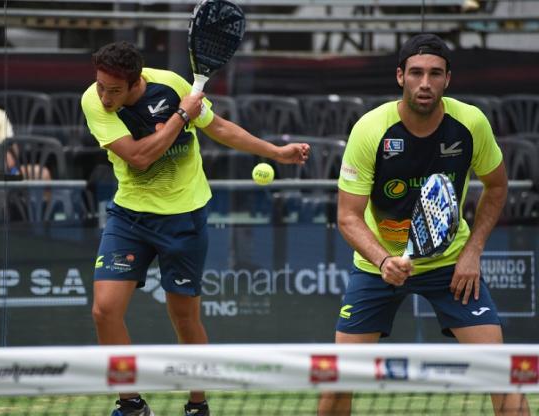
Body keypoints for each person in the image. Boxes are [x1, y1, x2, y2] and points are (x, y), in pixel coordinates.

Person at [81, 41, 310, 416]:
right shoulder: (93, 101)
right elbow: (139, 158)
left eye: (114, 90)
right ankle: (131, 404)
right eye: (101, 86)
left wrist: (274, 152)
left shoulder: (170, 85)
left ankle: (197, 404)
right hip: (130, 219)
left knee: (184, 317)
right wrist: (181, 118)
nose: (105, 97)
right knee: (104, 311)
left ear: (136, 81)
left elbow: (218, 126)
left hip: (183, 219)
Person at [318, 34, 530, 416]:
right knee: (337, 382)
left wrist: (473, 252)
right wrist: (384, 262)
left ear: (448, 79)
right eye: (416, 73)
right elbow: (348, 217)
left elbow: (497, 187)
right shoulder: (370, 130)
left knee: (504, 374)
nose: (425, 83)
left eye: (435, 73)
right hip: (378, 267)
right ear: (400, 76)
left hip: (451, 264)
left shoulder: (470, 123)